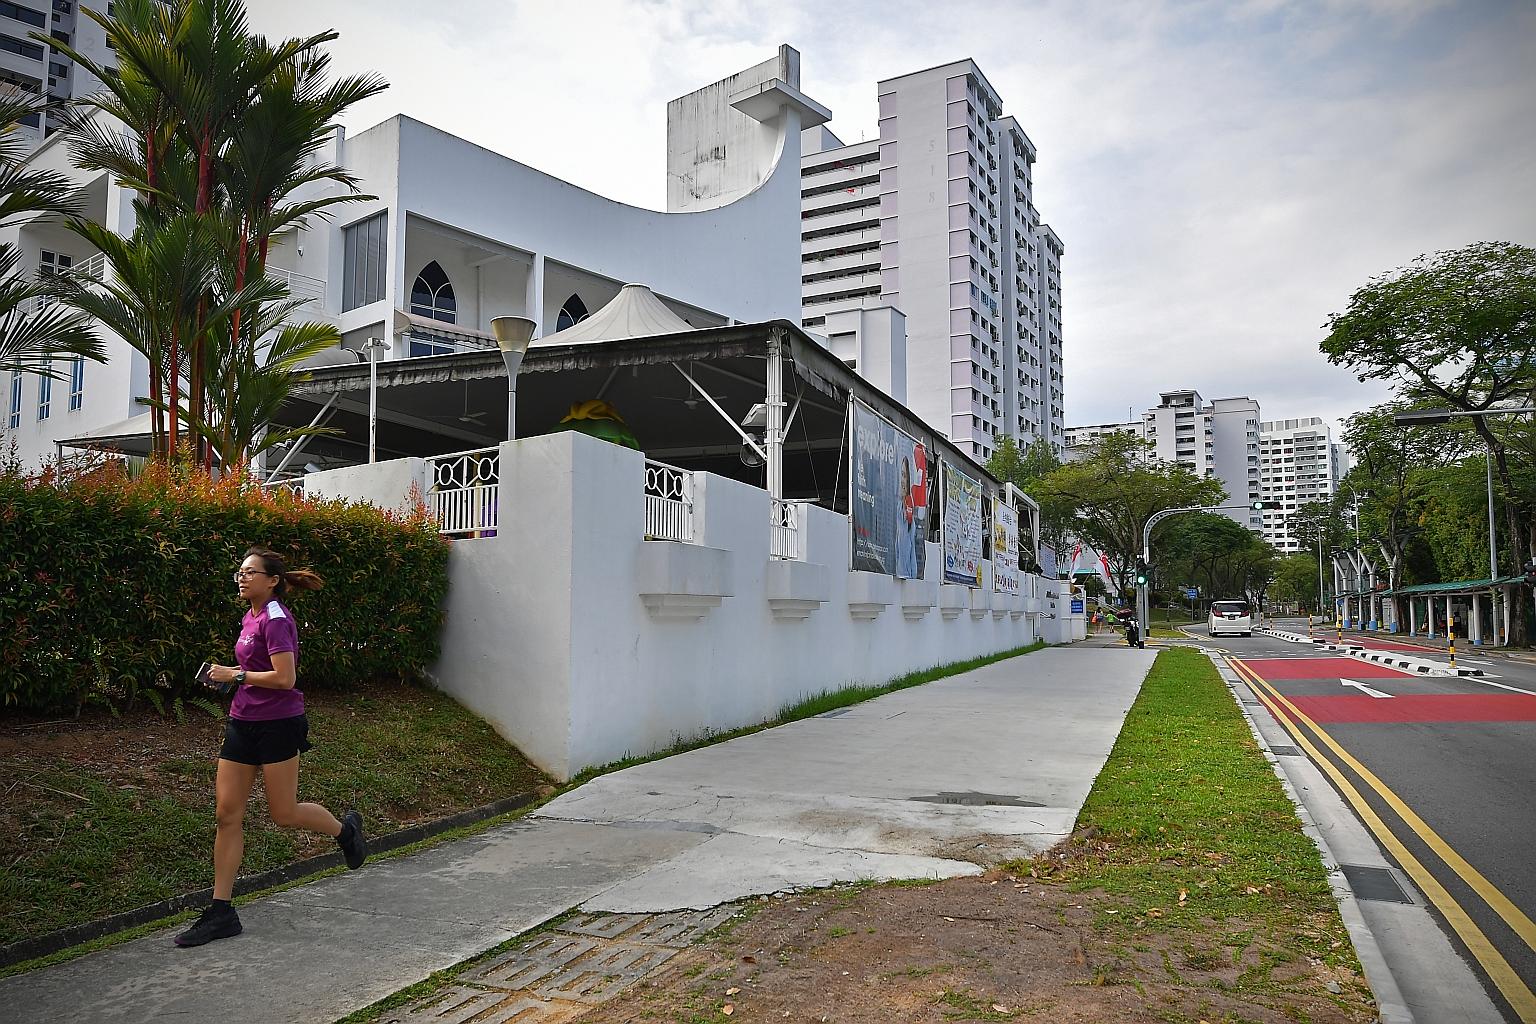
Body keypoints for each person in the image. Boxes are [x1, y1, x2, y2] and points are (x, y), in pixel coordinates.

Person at [175, 547, 368, 948]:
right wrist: (227, 678)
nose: (241, 578)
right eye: (239, 573)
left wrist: (237, 673)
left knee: (284, 814)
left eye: (250, 572)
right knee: (227, 814)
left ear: (272, 580)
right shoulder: (251, 616)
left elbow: (285, 678)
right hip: (242, 722)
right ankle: (221, 910)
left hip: (279, 724)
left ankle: (345, 831)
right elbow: (252, 673)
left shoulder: (277, 618)